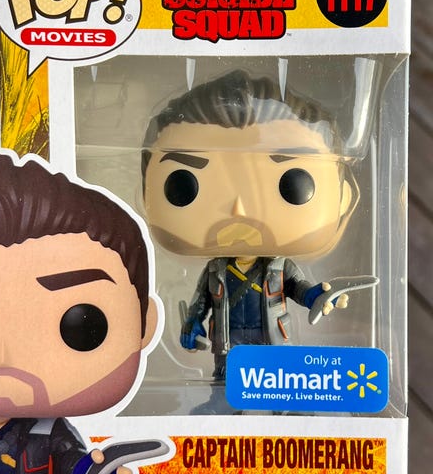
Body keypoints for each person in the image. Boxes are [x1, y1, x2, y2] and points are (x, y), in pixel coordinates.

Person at [141, 70, 356, 406]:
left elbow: (298, 288)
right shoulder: (215, 269)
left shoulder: (279, 267)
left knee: (280, 389)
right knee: (226, 387)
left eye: (293, 183)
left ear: (345, 196)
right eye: (183, 185)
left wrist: (316, 296)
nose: (238, 209)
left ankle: (285, 414)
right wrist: (192, 323)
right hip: (228, 344)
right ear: (144, 193)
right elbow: (201, 303)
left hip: (272, 342)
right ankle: (221, 410)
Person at [0, 153, 161, 473]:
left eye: (81, 326)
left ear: (145, 325)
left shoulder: (48, 430)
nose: (2, 357)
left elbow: (74, 462)